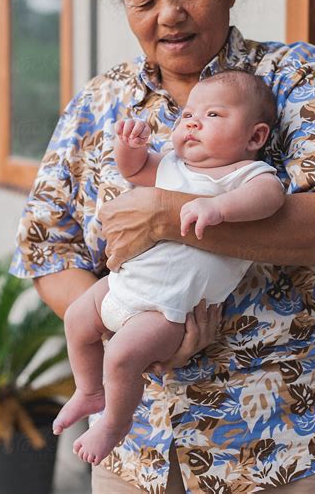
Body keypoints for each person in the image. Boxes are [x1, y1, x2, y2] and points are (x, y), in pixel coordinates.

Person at [10, 0, 315, 493]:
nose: (169, 15)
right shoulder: (99, 104)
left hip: (283, 436)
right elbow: (47, 247)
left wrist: (165, 215)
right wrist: (131, 329)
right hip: (134, 444)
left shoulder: (291, 77)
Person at [52, 70, 285, 466]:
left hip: (165, 311)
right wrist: (130, 146)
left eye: (212, 115)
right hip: (120, 287)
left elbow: (271, 199)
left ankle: (114, 423)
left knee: (122, 354)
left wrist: (218, 207)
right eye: (187, 115)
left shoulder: (248, 176)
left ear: (255, 137)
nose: (192, 122)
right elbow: (135, 170)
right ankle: (89, 390)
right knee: (76, 319)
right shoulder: (173, 165)